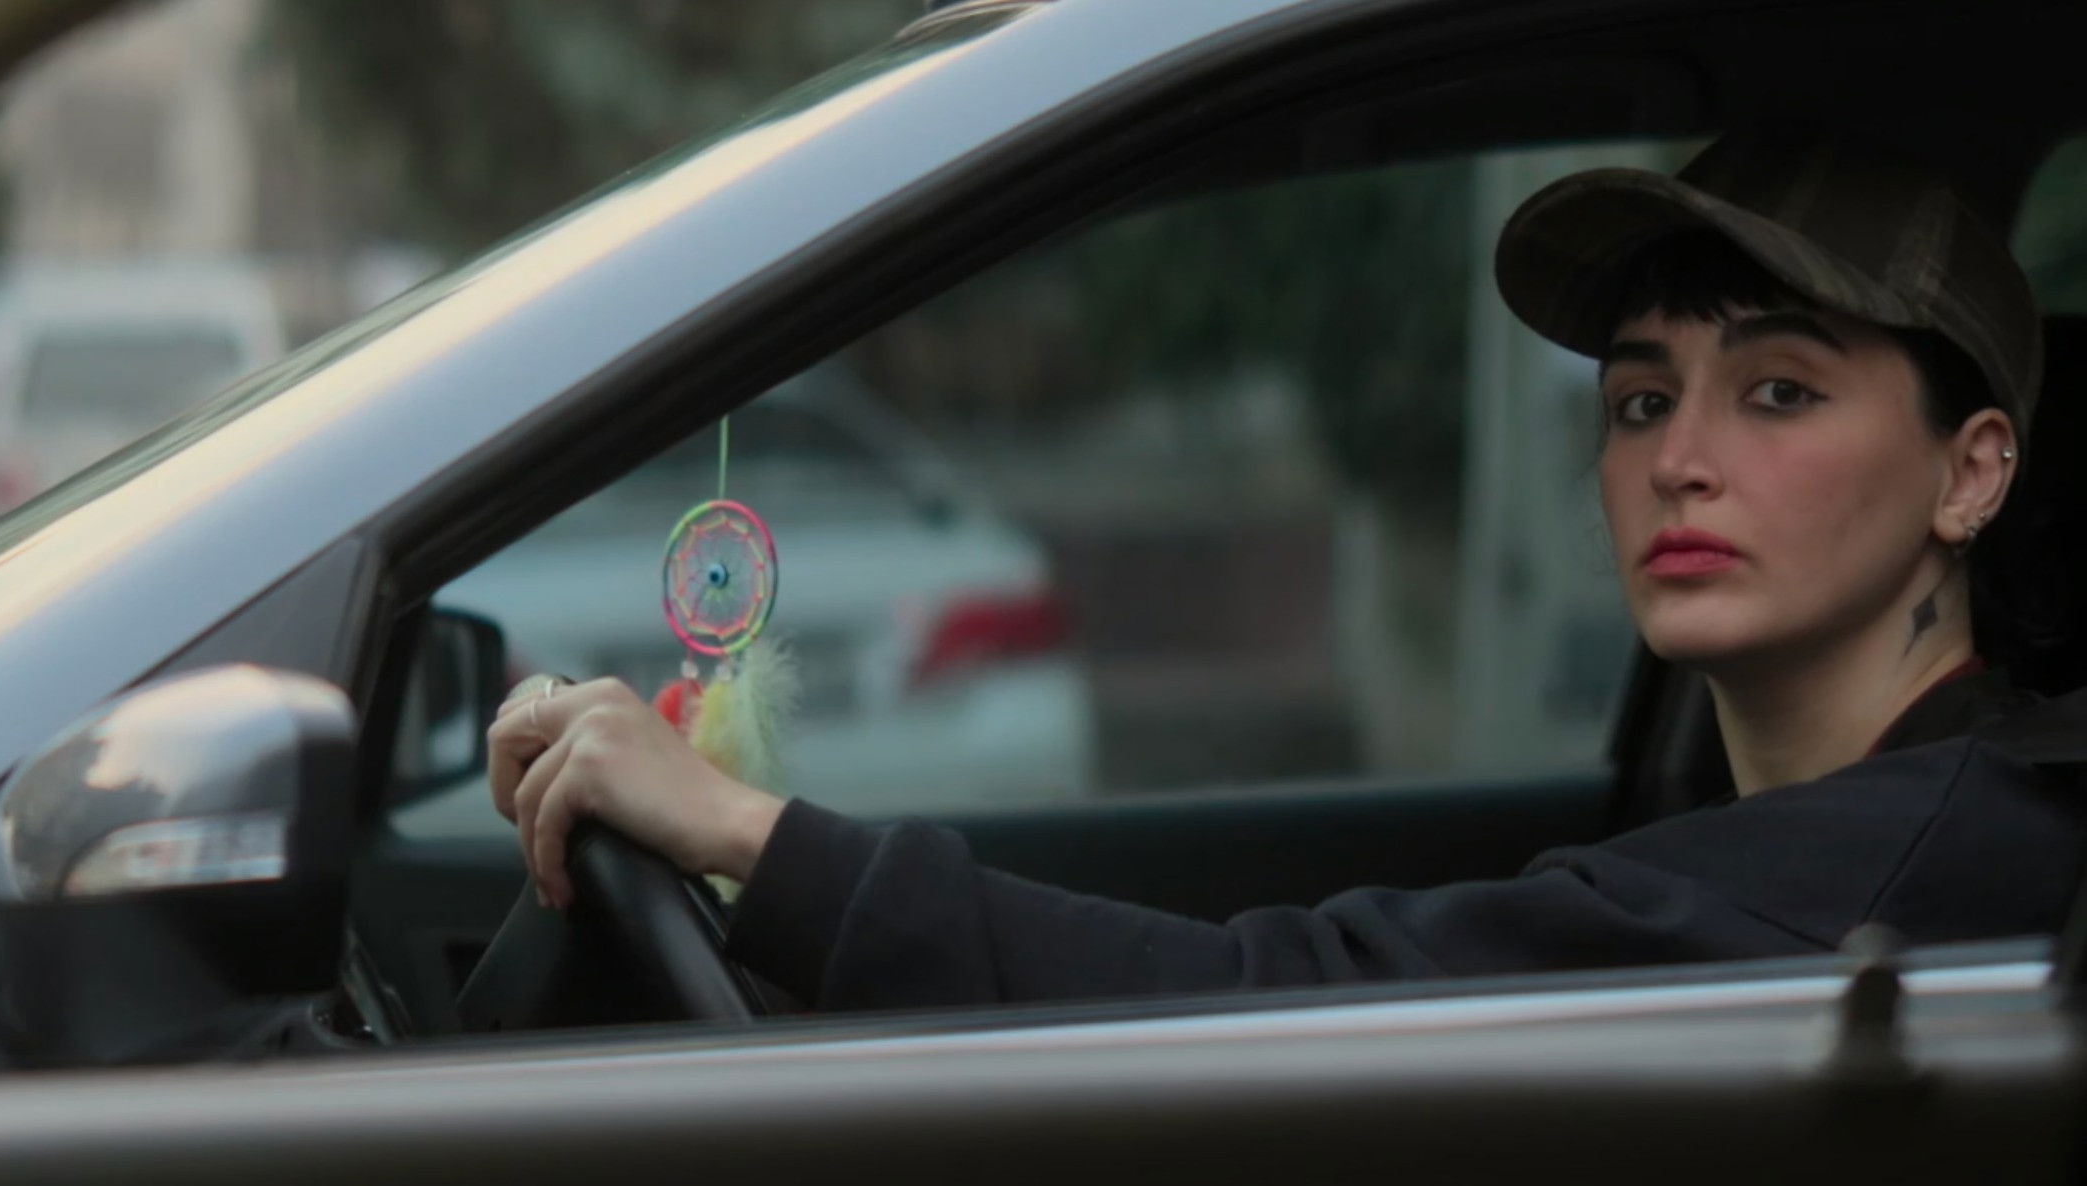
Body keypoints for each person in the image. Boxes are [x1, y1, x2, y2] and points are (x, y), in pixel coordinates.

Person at [485, 128, 2087, 1012]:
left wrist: (746, 834)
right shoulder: (1869, 823)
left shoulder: (1904, 859)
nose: (1678, 457)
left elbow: (1279, 998)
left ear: (1970, 471)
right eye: (1638, 400)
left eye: (1779, 393)